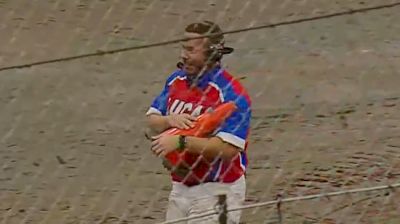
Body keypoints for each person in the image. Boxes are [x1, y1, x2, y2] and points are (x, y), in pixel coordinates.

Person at [146, 21, 252, 223]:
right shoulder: (175, 81)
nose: (183, 55)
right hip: (181, 185)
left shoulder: (231, 93)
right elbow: (152, 121)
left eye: (190, 50)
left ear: (212, 53)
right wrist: (169, 119)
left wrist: (181, 142)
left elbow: (229, 149)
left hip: (219, 189)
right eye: (182, 48)